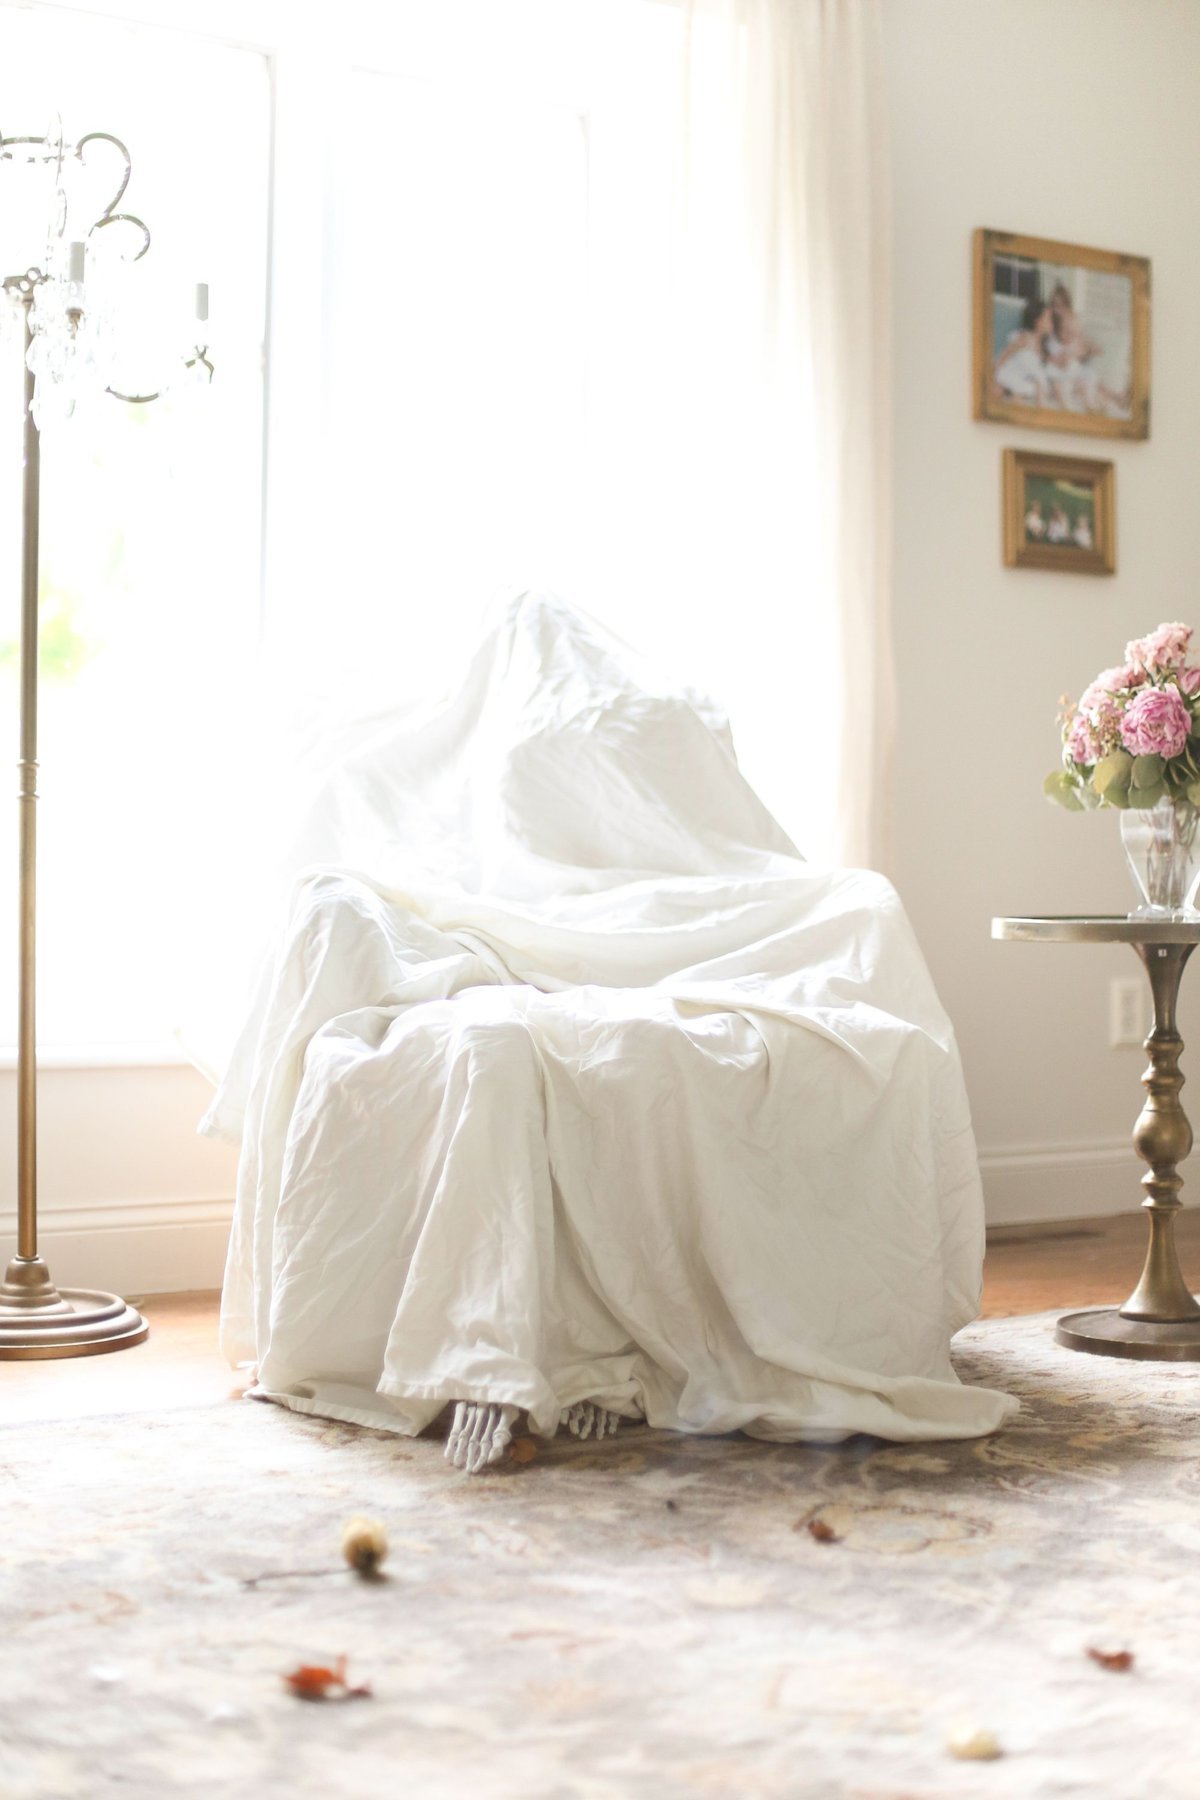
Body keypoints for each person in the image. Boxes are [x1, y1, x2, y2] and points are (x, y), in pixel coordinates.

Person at [993, 295, 1051, 404]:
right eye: (1047, 318)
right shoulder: (1025, 337)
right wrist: (994, 375)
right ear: (1037, 321)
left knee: (1038, 386)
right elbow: (1005, 354)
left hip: (1025, 379)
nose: (1051, 322)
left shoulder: (1044, 345)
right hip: (1010, 373)